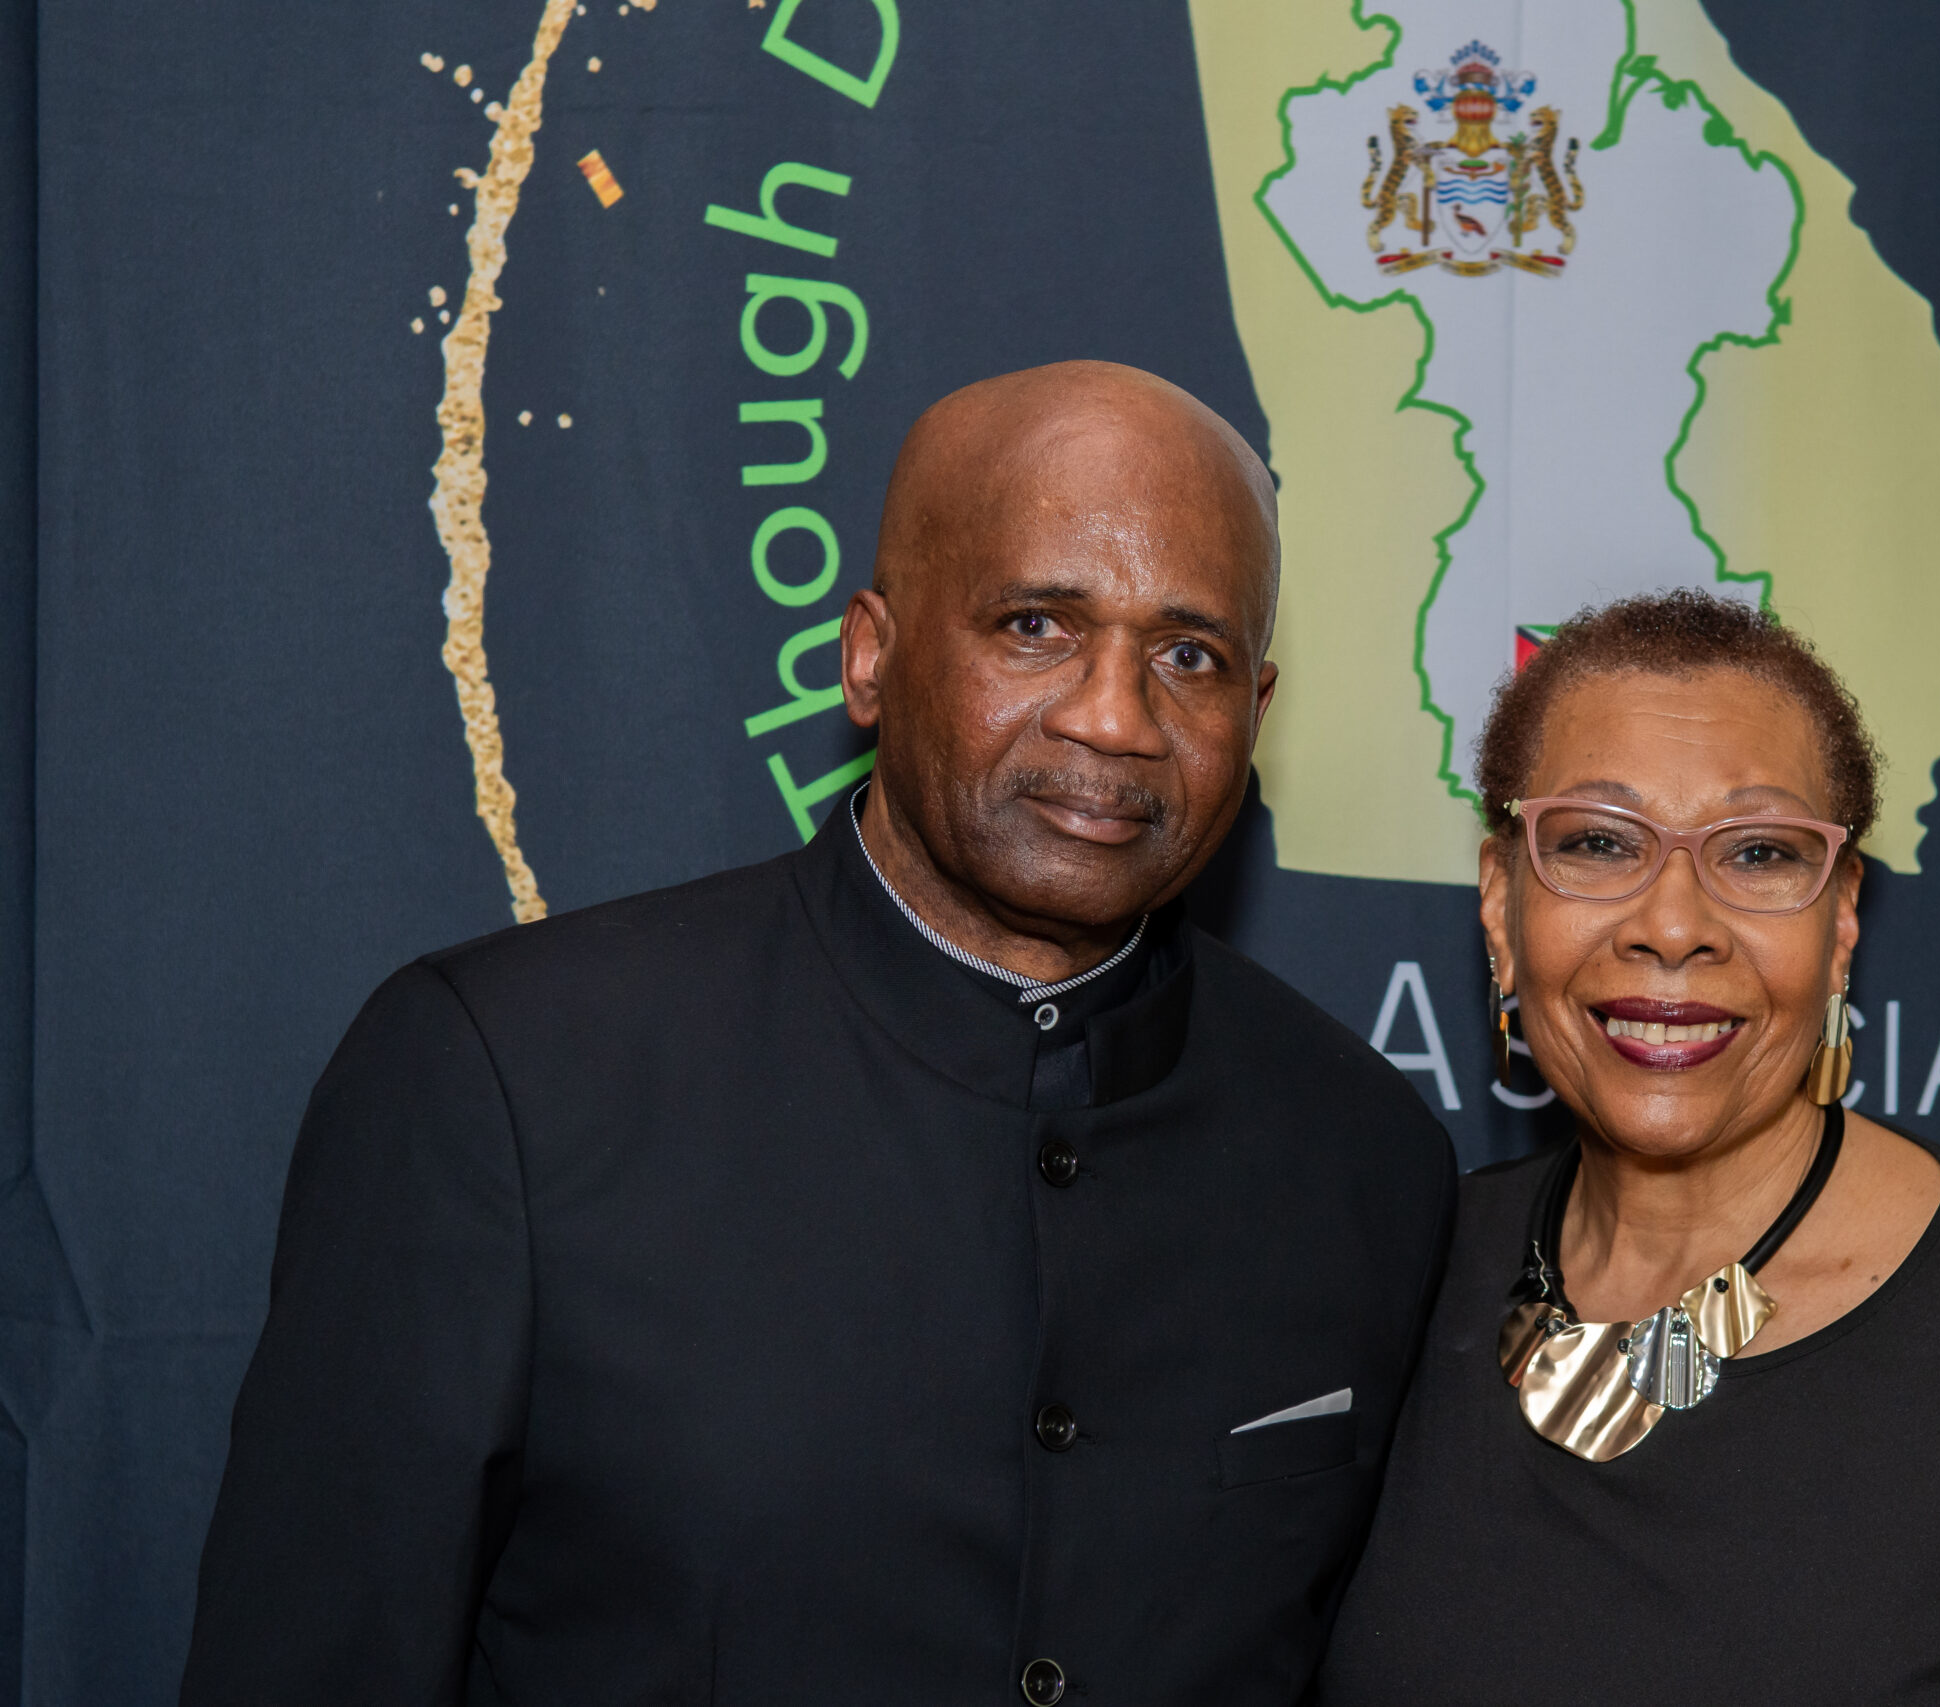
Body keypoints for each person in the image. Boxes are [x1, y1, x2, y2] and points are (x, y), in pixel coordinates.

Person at [180, 362, 1456, 1706]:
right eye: (1034, 625)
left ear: (1254, 714)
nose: (1113, 716)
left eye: (1188, 655)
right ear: (869, 656)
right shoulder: (508, 1084)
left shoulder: (1363, 1154)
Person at [1317, 592, 1940, 1706]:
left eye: (1757, 853)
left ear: (1841, 921)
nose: (1672, 923)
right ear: (1500, 905)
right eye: (1598, 841)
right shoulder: (1388, 1288)